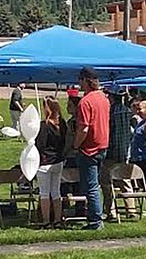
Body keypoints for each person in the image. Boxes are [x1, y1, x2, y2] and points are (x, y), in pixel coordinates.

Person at [73, 68, 109, 229]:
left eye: (80, 80)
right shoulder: (103, 98)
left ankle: (95, 221)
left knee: (91, 186)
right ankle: (96, 216)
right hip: (103, 145)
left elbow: (84, 129)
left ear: (85, 80)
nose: (79, 83)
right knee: (96, 184)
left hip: (89, 148)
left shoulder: (85, 102)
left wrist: (76, 144)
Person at [34, 96, 67, 227]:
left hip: (45, 162)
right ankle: (58, 219)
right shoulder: (62, 123)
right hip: (58, 160)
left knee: (44, 193)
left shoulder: (44, 125)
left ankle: (46, 220)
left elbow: (40, 145)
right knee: (56, 192)